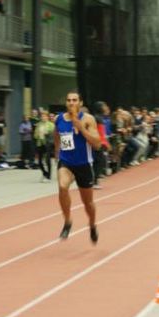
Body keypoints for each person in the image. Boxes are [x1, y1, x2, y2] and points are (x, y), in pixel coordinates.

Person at [54, 90, 101, 243]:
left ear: (80, 103)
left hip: (83, 164)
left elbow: (97, 144)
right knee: (62, 187)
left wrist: (81, 128)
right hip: (66, 162)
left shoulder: (88, 119)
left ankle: (92, 224)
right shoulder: (59, 119)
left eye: (74, 100)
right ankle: (68, 221)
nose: (71, 103)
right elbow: (57, 136)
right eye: (69, 100)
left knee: (88, 203)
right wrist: (57, 153)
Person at [34, 109, 54, 181]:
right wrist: (38, 134)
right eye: (42, 116)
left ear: (47, 117)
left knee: (47, 160)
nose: (43, 117)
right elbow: (35, 135)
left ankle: (49, 176)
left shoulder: (51, 125)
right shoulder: (39, 124)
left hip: (48, 143)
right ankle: (45, 173)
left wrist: (47, 132)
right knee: (39, 162)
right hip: (40, 143)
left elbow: (53, 134)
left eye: (45, 116)